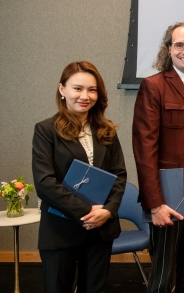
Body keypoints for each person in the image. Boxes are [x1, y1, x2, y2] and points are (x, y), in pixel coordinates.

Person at [132, 22, 184, 293]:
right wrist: (154, 203)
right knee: (163, 274)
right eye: (179, 45)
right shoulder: (153, 86)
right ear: (168, 49)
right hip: (169, 199)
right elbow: (144, 150)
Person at [32, 61, 127, 293]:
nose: (85, 96)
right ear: (62, 90)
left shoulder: (107, 130)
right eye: (78, 88)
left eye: (92, 90)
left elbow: (119, 175)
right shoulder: (46, 130)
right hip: (60, 230)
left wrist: (108, 211)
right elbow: (45, 183)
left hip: (100, 230)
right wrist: (88, 212)